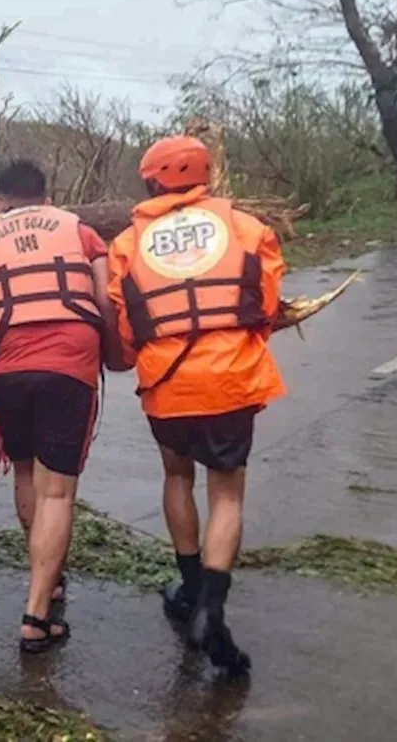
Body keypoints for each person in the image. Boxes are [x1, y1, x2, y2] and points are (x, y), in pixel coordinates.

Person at [106, 136, 286, 676]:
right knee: (226, 492)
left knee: (177, 477)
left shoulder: (126, 243)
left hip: (167, 384)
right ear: (206, 176)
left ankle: (188, 589)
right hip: (231, 379)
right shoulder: (247, 227)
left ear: (151, 181)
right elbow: (267, 308)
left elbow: (125, 323)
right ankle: (212, 607)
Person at [0, 159, 118, 653]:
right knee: (58, 494)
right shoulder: (81, 232)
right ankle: (37, 613)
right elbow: (106, 301)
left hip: (6, 363)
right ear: (47, 198)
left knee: (26, 473)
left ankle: (47, 578)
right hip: (69, 360)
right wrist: (113, 352)